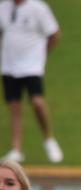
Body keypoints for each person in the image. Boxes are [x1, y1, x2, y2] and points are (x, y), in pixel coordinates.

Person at [0, 0, 63, 163]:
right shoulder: (3, 7)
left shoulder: (39, 9)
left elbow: (54, 34)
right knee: (14, 107)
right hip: (9, 66)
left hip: (31, 66)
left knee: (37, 102)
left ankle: (49, 139)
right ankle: (16, 149)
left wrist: (41, 55)